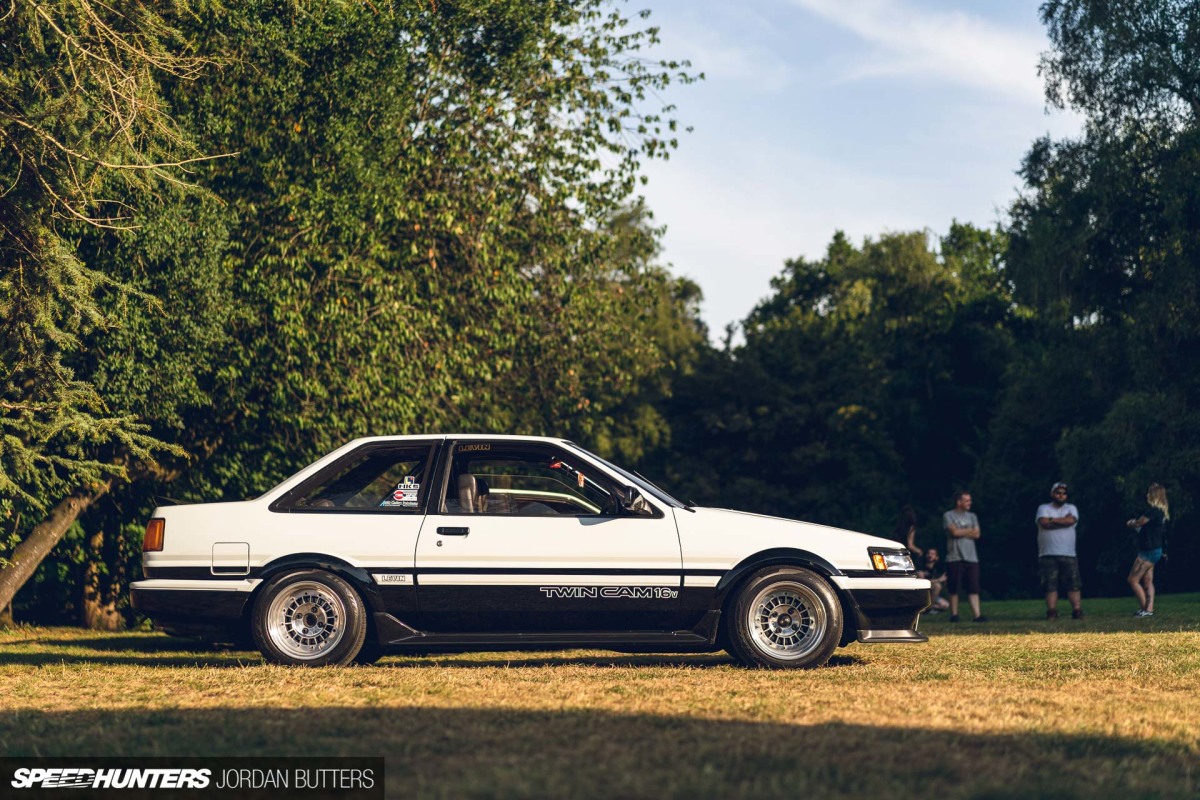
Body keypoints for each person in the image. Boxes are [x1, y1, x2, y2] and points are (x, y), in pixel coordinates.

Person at [1035, 482, 1083, 620]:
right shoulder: (1043, 508)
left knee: (1073, 584)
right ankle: (1052, 612)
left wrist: (1052, 521)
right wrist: (1061, 521)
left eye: (1064, 493)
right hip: (1047, 553)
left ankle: (1077, 611)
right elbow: (1043, 522)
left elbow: (1070, 521)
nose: (1061, 495)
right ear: (1052, 494)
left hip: (1069, 553)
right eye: (1058, 492)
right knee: (1050, 585)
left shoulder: (1072, 508)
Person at [1126, 483, 1169, 618]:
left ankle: (1147, 610)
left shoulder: (1153, 511)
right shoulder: (1161, 513)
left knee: (1132, 580)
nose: (1147, 495)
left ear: (1154, 495)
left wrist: (1131, 522)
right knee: (1147, 580)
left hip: (1148, 552)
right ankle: (1147, 609)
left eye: (1149, 493)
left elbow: (1140, 522)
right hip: (1155, 550)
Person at [943, 491, 986, 622]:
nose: (970, 503)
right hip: (955, 556)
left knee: (973, 587)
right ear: (959, 502)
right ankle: (954, 615)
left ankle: (977, 615)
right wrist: (970, 530)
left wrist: (962, 531)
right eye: (967, 501)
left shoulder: (972, 516)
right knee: (954, 587)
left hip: (971, 557)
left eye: (970, 500)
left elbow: (977, 534)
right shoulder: (948, 515)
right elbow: (954, 532)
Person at [917, 547, 949, 612]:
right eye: (928, 553)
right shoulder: (921, 568)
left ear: (937, 557)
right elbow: (923, 583)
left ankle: (927, 609)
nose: (930, 555)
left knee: (946, 605)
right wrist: (938, 580)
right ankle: (928, 608)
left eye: (933, 554)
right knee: (937, 586)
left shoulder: (938, 569)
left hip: (932, 596)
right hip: (922, 596)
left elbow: (944, 582)